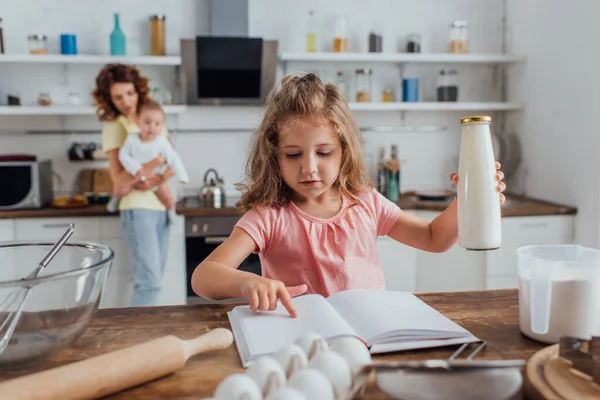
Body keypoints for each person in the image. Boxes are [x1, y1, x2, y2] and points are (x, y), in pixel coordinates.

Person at [190, 72, 506, 317]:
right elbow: (203, 277)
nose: (308, 168)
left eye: (324, 152)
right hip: (302, 341)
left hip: (371, 337)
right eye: (293, 155)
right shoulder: (269, 217)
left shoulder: (366, 202)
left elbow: (434, 238)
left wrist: (467, 197)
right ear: (274, 157)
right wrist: (248, 282)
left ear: (344, 151)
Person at [93, 63, 174, 307]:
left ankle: (144, 337)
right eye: (117, 97)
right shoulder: (115, 127)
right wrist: (153, 171)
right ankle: (135, 340)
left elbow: (170, 161)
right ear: (109, 99)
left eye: (129, 93)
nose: (125, 101)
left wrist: (157, 180)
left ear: (138, 91)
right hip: (138, 210)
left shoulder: (151, 119)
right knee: (149, 283)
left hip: (162, 209)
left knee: (154, 280)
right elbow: (119, 183)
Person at [106, 101, 189, 221]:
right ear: (138, 122)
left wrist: (182, 175)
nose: (151, 127)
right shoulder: (132, 139)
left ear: (162, 126)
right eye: (147, 122)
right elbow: (123, 155)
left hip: (154, 176)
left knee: (167, 197)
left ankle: (171, 212)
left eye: (157, 124)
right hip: (134, 173)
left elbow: (173, 158)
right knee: (119, 189)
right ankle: (115, 200)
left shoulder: (161, 141)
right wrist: (135, 168)